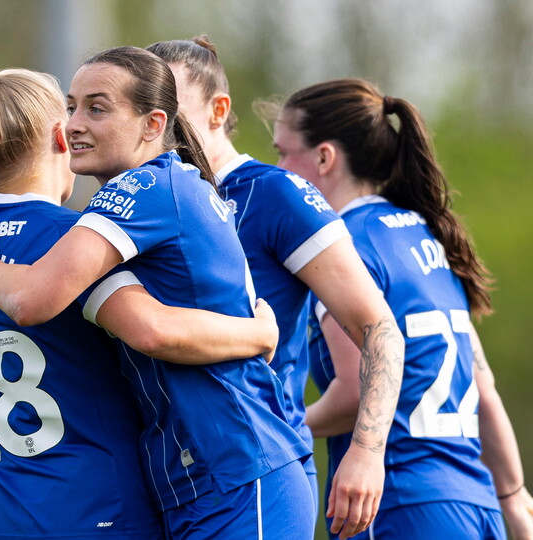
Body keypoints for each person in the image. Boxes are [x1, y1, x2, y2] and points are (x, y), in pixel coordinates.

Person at [0, 47, 315, 539]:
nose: (73, 124)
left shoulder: (147, 188)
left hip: (238, 464)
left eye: (97, 107)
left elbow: (131, 326)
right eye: (70, 106)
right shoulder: (115, 207)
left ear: (153, 124)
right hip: (183, 479)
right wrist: (256, 333)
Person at [146, 37, 405, 539]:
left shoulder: (273, 193)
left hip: (252, 478)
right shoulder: (141, 203)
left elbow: (379, 330)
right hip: (165, 483)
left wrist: (367, 453)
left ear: (219, 110)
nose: (156, 121)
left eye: (171, 106)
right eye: (144, 105)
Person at [264, 76, 533, 539]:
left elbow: (352, 396)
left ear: (324, 157)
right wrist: (514, 499)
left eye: (283, 154)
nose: (279, 169)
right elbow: (483, 388)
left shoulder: (344, 249)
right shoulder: (424, 236)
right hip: (474, 500)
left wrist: (275, 429)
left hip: (401, 503)